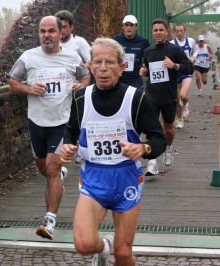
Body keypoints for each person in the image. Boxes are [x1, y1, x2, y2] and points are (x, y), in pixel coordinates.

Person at [60, 38, 166, 266]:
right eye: (97, 62)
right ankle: (103, 247)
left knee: (124, 254)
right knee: (84, 245)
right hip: (93, 178)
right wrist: (68, 146)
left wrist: (143, 148)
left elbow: (159, 139)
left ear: (122, 67)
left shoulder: (136, 99)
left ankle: (114, 249)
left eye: (109, 62)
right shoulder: (80, 98)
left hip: (126, 177)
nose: (103, 68)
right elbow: (71, 131)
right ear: (90, 65)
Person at [9, 15, 90, 240]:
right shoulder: (28, 57)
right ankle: (59, 176)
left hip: (62, 123)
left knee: (52, 169)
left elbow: (86, 78)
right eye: (43, 31)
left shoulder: (72, 57)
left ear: (60, 32)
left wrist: (79, 86)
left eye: (51, 31)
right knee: (45, 170)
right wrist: (29, 89)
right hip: (37, 123)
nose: (47, 35)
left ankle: (49, 220)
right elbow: (13, 83)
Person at [139, 18, 193, 176]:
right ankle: (152, 163)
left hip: (169, 95)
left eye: (161, 30)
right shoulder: (148, 51)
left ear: (167, 31)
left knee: (168, 128)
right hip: (152, 94)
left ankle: (168, 148)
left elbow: (189, 66)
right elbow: (147, 69)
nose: (158, 33)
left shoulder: (174, 50)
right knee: (150, 128)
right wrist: (144, 72)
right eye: (155, 30)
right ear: (152, 32)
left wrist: (175, 66)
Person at [55, 10, 91, 165]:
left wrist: (77, 73)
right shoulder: (52, 43)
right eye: (59, 27)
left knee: (79, 117)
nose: (61, 31)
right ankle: (64, 148)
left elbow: (91, 60)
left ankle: (81, 148)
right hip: (59, 89)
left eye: (64, 27)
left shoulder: (79, 42)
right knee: (62, 119)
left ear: (71, 27)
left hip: (77, 87)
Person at [169, 23, 197, 129]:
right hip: (176, 72)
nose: (179, 33)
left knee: (183, 96)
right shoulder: (172, 43)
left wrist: (193, 57)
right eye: (177, 31)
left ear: (184, 31)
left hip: (186, 71)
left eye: (181, 31)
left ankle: (185, 104)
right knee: (176, 99)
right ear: (174, 32)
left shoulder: (190, 41)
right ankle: (180, 119)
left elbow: (196, 50)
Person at [112, 15, 150, 90]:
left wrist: (145, 70)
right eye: (126, 25)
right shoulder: (115, 40)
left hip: (136, 80)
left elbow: (149, 60)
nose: (129, 28)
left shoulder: (143, 42)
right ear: (123, 26)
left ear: (136, 27)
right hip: (119, 79)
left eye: (131, 25)